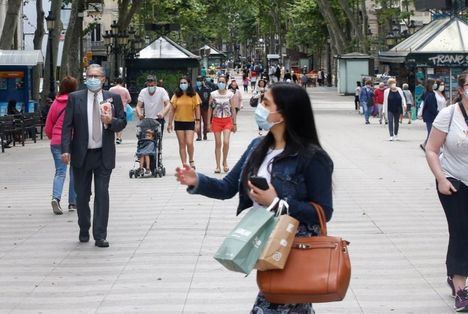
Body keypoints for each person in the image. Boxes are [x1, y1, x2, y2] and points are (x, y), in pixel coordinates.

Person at [175, 82, 333, 314]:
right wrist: (197, 181)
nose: (259, 107)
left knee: (274, 302)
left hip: (292, 248)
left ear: (285, 112)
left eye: (266, 103)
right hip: (266, 245)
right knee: (293, 302)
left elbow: (323, 212)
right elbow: (227, 187)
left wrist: (277, 203)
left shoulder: (312, 157)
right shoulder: (257, 146)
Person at [61, 64, 127, 248]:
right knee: (82, 196)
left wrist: (110, 121)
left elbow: (122, 122)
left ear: (104, 79)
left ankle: (100, 235)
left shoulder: (112, 98)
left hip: (103, 155)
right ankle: (84, 226)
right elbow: (67, 126)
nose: (93, 79)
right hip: (81, 155)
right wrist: (65, 149)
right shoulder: (75, 98)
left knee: (102, 194)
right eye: (90, 75)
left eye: (96, 76)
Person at [425, 71, 468, 312]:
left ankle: (454, 274)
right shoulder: (449, 114)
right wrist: (441, 178)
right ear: (461, 89)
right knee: (461, 231)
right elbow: (431, 149)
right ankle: (461, 288)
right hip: (453, 181)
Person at [45, 76, 78, 215]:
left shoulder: (55, 103)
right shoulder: (76, 101)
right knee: (75, 172)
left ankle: (56, 198)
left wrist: (53, 138)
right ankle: (73, 202)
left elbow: (49, 125)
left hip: (57, 141)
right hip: (73, 140)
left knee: (60, 172)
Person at [165, 77, 201, 168]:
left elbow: (197, 109)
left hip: (190, 122)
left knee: (189, 142)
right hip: (179, 122)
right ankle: (184, 163)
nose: (183, 85)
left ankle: (191, 160)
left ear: (188, 83)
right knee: (182, 144)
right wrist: (169, 123)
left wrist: (197, 122)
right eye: (181, 83)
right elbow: (172, 110)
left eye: (185, 82)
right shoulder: (176, 95)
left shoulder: (194, 95)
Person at [207, 76, 237, 174]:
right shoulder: (213, 94)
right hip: (216, 120)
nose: (221, 83)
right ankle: (218, 165)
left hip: (227, 121)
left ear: (226, 83)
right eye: (219, 81)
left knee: (226, 142)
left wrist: (234, 123)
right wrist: (208, 123)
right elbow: (210, 109)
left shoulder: (230, 94)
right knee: (218, 143)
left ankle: (225, 161)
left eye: (223, 82)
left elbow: (233, 109)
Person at [109, 77, 131, 144]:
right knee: (120, 122)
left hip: (113, 109)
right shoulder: (125, 90)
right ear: (122, 83)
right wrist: (125, 102)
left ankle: (116, 137)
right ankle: (119, 138)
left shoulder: (111, 89)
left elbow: (108, 98)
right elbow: (129, 99)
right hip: (122, 108)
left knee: (114, 122)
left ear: (115, 82)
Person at [420, 79, 439, 151]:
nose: (435, 85)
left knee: (430, 131)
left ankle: (425, 144)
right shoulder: (431, 94)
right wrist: (437, 113)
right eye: (434, 83)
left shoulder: (427, 93)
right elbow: (432, 106)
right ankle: (427, 146)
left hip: (428, 115)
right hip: (430, 115)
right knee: (431, 132)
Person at [195, 76, 212, 141]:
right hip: (197, 108)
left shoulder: (207, 89)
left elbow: (208, 98)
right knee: (197, 121)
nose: (198, 82)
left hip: (205, 107)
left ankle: (205, 134)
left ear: (202, 81)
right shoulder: (194, 89)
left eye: (200, 80)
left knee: (205, 121)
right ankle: (199, 136)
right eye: (197, 80)